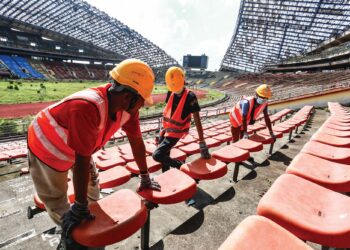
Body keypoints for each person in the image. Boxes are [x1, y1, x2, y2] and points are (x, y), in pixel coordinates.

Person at [27, 59, 161, 248]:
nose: (142, 106)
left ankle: (88, 220)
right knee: (57, 200)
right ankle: (72, 234)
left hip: (78, 146)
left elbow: (136, 142)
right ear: (127, 96)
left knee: (92, 187)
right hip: (47, 147)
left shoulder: (128, 109)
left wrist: (145, 175)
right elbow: (81, 159)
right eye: (141, 101)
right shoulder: (87, 106)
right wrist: (79, 206)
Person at [152, 66, 210, 172]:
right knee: (164, 156)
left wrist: (202, 142)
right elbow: (168, 113)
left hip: (176, 133)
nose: (175, 90)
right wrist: (160, 129)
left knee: (157, 155)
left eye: (176, 87)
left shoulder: (190, 96)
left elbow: (197, 120)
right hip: (165, 131)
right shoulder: (171, 91)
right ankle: (167, 175)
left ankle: (180, 166)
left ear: (183, 81)